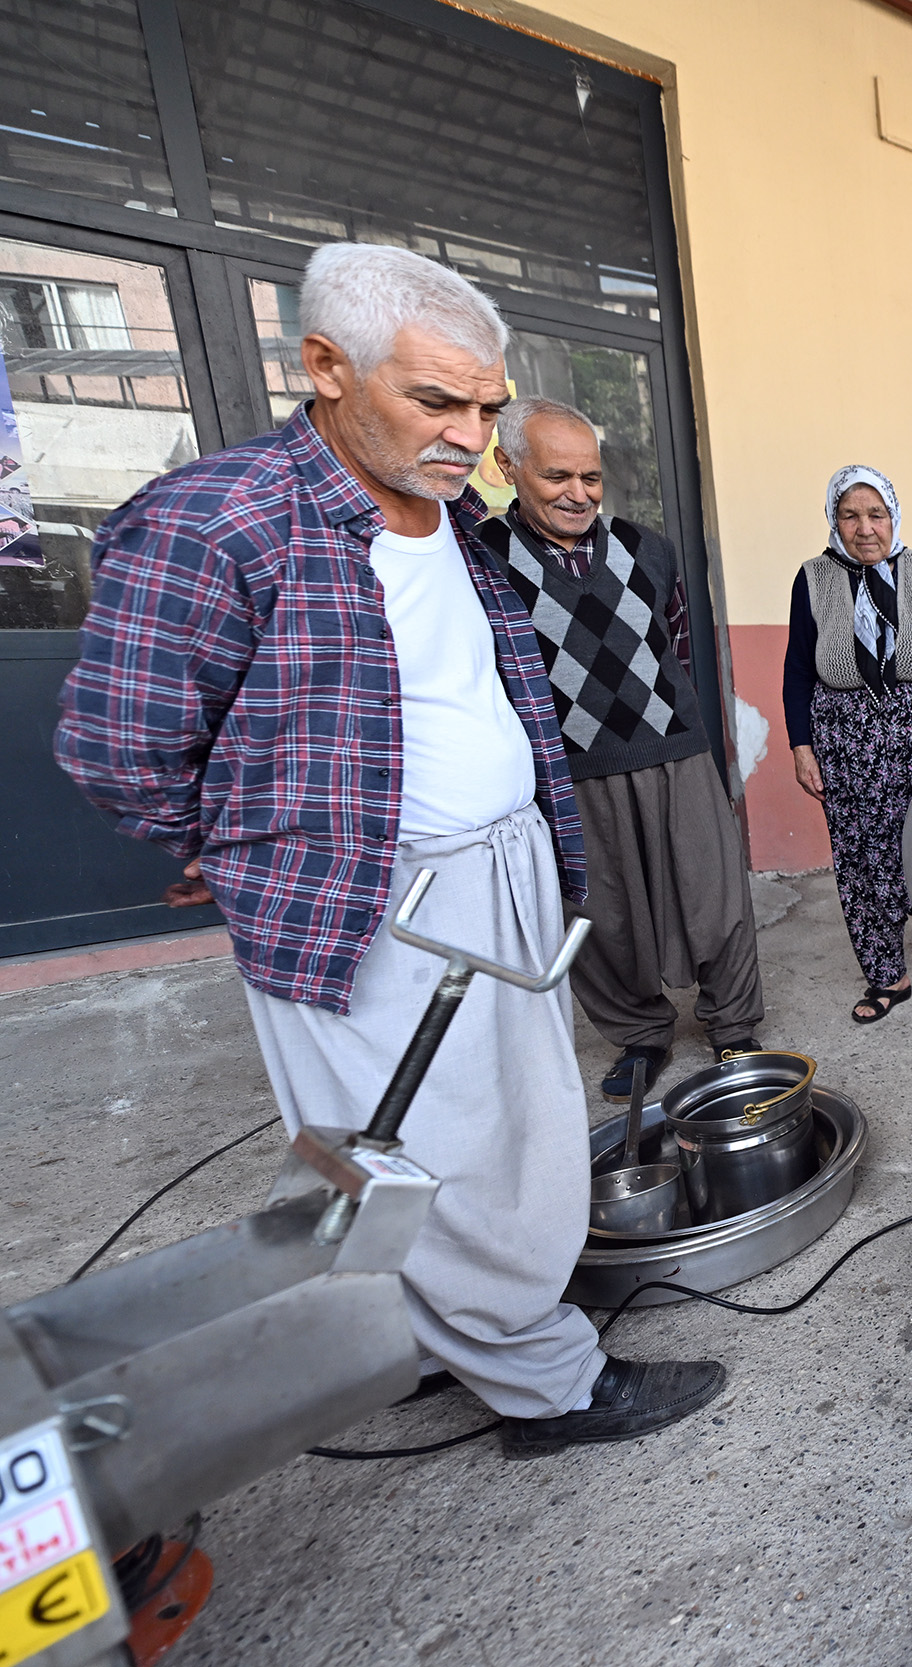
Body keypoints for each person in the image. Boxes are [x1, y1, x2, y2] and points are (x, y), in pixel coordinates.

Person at [54, 242, 723, 1459]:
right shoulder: (223, 520)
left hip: (498, 866)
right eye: (437, 400)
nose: (470, 434)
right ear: (324, 366)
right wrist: (229, 841)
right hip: (378, 893)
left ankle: (423, 1332)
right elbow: (116, 742)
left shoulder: (448, 515)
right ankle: (549, 1386)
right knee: (436, 1138)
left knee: (507, 1123)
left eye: (484, 406)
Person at [483, 395, 764, 1099]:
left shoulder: (649, 548)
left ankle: (734, 1026)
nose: (579, 494)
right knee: (600, 914)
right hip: (570, 768)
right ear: (506, 466)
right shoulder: (482, 561)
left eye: (591, 477)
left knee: (715, 895)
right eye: (557, 477)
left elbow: (681, 652)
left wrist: (703, 743)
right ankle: (641, 1035)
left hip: (675, 751)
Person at [782, 465, 912, 1023]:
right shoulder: (813, 579)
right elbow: (799, 665)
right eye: (850, 515)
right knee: (862, 855)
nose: (865, 527)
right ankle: (886, 975)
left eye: (876, 514)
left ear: (894, 517)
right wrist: (801, 745)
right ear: (834, 520)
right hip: (850, 740)